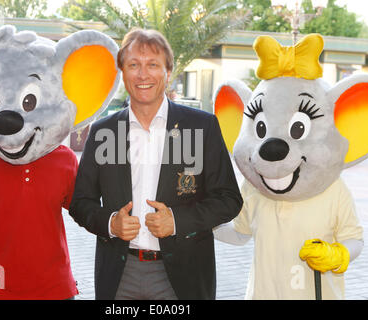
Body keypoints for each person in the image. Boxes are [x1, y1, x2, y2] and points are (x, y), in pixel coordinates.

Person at [70, 28, 243, 300]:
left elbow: (229, 200)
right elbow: (80, 203)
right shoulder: (104, 132)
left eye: (153, 65)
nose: (143, 74)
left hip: (183, 277)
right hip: (119, 276)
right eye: (133, 65)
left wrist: (176, 220)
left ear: (168, 72)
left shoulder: (201, 127)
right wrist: (111, 222)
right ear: (122, 73)